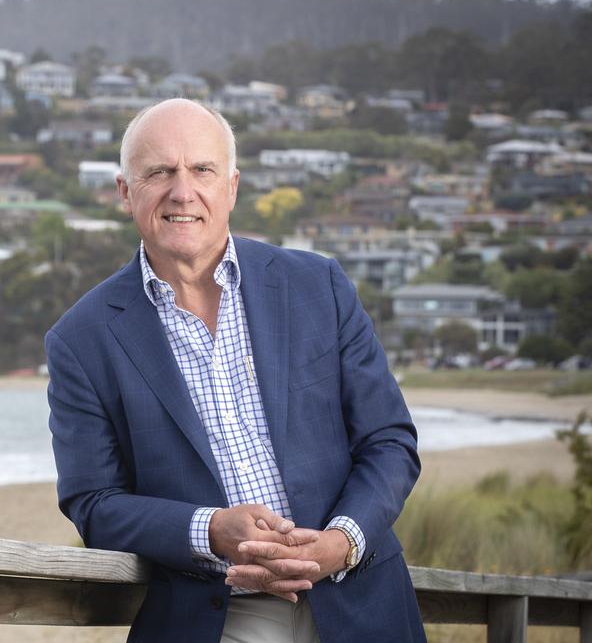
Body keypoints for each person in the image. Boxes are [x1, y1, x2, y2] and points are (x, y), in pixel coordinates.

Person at [46, 99, 424, 642]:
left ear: (232, 187)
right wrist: (211, 530)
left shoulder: (320, 286)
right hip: (219, 614)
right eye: (159, 172)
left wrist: (339, 542)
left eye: (202, 169)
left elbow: (389, 440)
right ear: (126, 192)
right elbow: (93, 503)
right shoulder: (81, 339)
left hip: (359, 598)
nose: (183, 191)